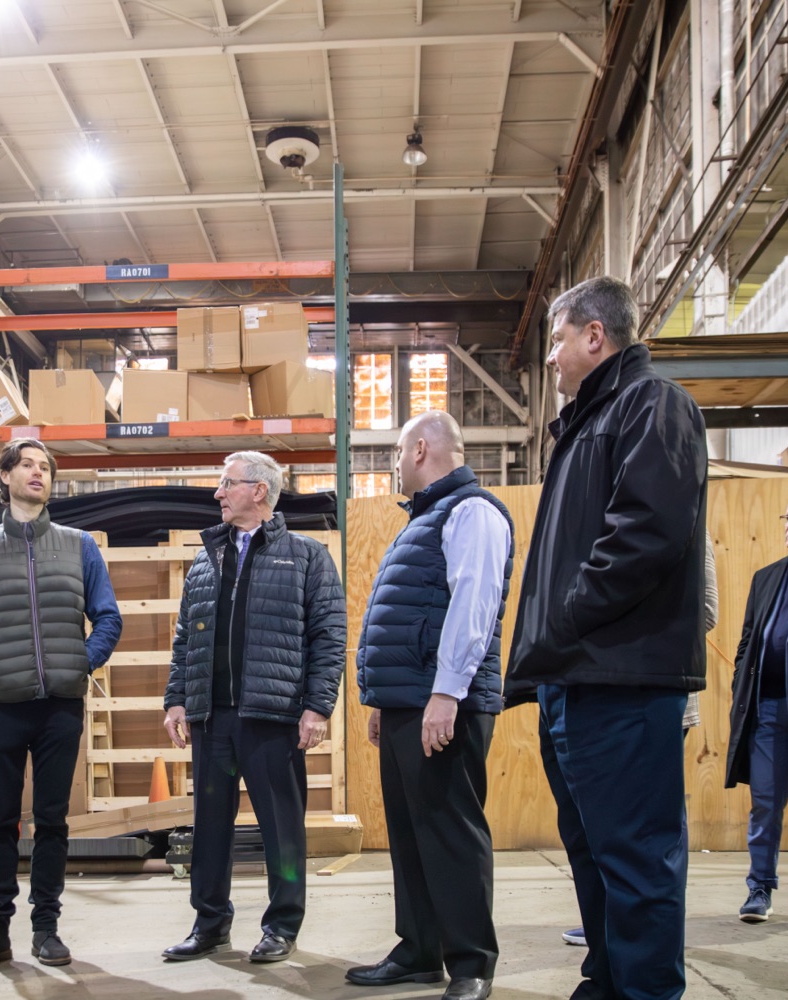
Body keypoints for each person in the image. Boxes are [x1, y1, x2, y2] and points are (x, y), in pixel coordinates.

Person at [505, 275, 708, 1000]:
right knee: (592, 855)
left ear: (595, 335)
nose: (552, 359)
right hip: (579, 678)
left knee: (637, 860)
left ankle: (647, 991)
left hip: (622, 678)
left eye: (557, 340)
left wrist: (563, 621)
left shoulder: (652, 405)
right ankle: (608, 982)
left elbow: (646, 535)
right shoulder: (587, 424)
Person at [160, 450, 347, 964]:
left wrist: (317, 707)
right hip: (211, 718)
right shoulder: (207, 557)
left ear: (258, 491)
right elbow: (186, 639)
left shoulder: (307, 556)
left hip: (273, 717)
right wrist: (177, 698)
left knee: (281, 829)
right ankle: (210, 923)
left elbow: (329, 637)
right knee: (210, 826)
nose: (217, 493)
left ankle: (281, 926)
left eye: (227, 484)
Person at [349, 411, 511, 1000]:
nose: (392, 462)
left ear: (421, 448)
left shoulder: (473, 511)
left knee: (450, 830)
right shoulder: (423, 518)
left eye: (396, 450)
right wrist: (387, 701)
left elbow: (474, 605)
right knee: (412, 833)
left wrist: (445, 693)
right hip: (410, 703)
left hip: (446, 703)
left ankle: (471, 964)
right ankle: (418, 950)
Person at [0, 439, 122, 973]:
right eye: (27, 465)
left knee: (52, 821)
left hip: (59, 707)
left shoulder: (78, 546)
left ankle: (46, 929)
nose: (38, 473)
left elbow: (109, 617)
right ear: (3, 476)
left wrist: (81, 664)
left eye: (46, 467)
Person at [561, 533, 718, 948]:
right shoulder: (604, 534)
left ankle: (657, 926)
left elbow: (705, 611)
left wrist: (626, 635)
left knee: (656, 824)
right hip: (605, 695)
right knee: (606, 823)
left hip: (657, 696)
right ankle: (612, 920)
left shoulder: (684, 528)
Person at [723, 488, 788, 931]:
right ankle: (759, 887)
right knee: (765, 802)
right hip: (768, 708)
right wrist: (738, 686)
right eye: (787, 515)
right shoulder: (767, 577)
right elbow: (749, 639)